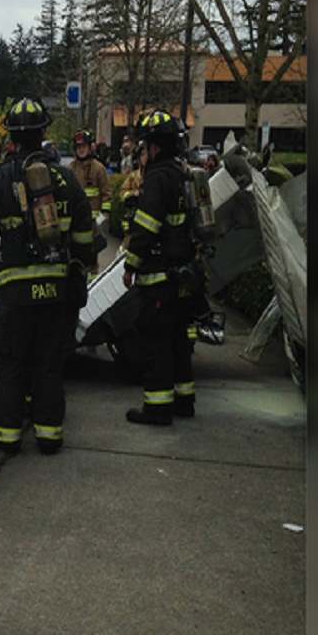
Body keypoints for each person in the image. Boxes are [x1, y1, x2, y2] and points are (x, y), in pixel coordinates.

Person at [0, 97, 96, 455]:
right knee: (49, 365)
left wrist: (0, 261)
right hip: (57, 294)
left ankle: (8, 437)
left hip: (13, 297)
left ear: (10, 135)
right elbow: (85, 240)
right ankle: (49, 436)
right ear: (43, 133)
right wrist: (77, 264)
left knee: (11, 365)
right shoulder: (66, 179)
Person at [122, 110, 198, 425]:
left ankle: (157, 407)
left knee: (156, 341)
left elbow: (146, 226)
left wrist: (130, 264)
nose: (144, 152)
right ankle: (184, 400)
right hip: (185, 274)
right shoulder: (183, 174)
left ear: (154, 147)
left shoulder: (157, 177)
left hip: (159, 276)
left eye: (145, 146)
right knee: (180, 339)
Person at [69, 130, 113, 228]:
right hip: (76, 221)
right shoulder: (70, 169)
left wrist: (102, 217)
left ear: (90, 148)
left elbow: (107, 194)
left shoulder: (99, 169)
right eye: (78, 147)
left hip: (94, 223)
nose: (81, 150)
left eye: (84, 146)